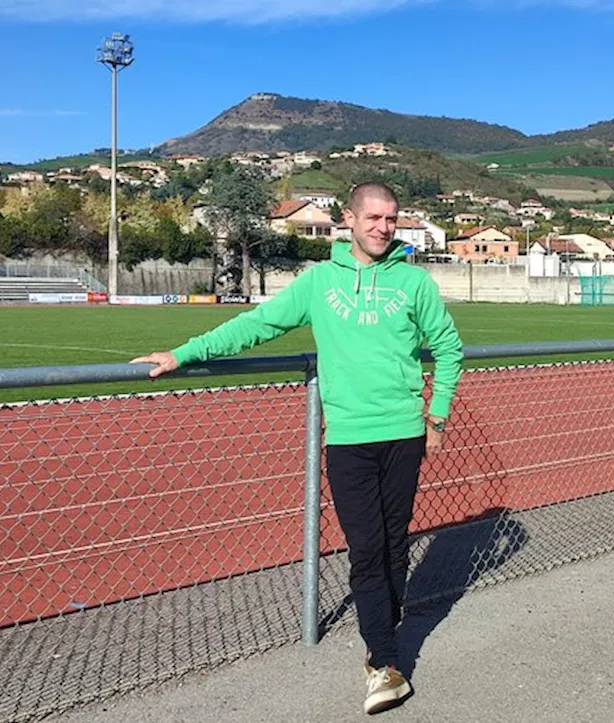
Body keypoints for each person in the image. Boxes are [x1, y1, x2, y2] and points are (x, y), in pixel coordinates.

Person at [131, 182, 463, 715]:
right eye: (373, 217)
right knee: (366, 550)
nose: (383, 227)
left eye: (392, 219)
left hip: (404, 431)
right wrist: (184, 353)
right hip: (350, 438)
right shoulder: (319, 283)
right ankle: (385, 662)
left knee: (395, 544)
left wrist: (438, 414)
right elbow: (258, 325)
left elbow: (448, 348)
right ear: (348, 221)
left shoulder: (414, 283)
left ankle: (383, 634)